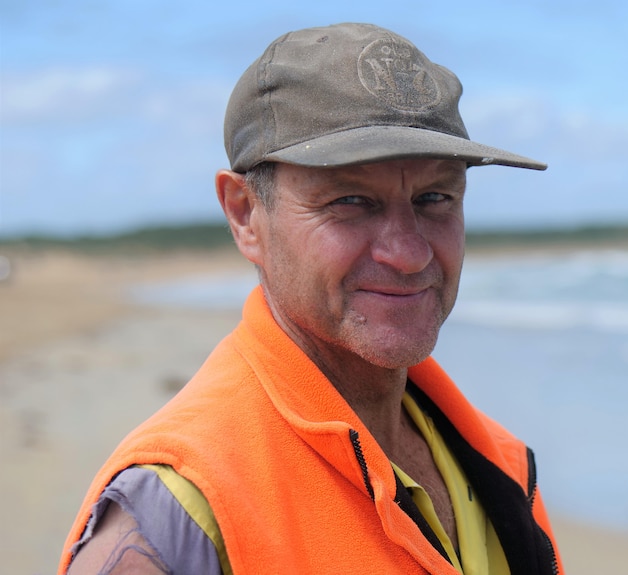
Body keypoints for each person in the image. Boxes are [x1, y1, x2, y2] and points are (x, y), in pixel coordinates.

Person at [59, 22, 562, 575]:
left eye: (435, 197)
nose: (409, 252)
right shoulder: (179, 515)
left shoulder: (497, 464)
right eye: (350, 200)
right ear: (246, 214)